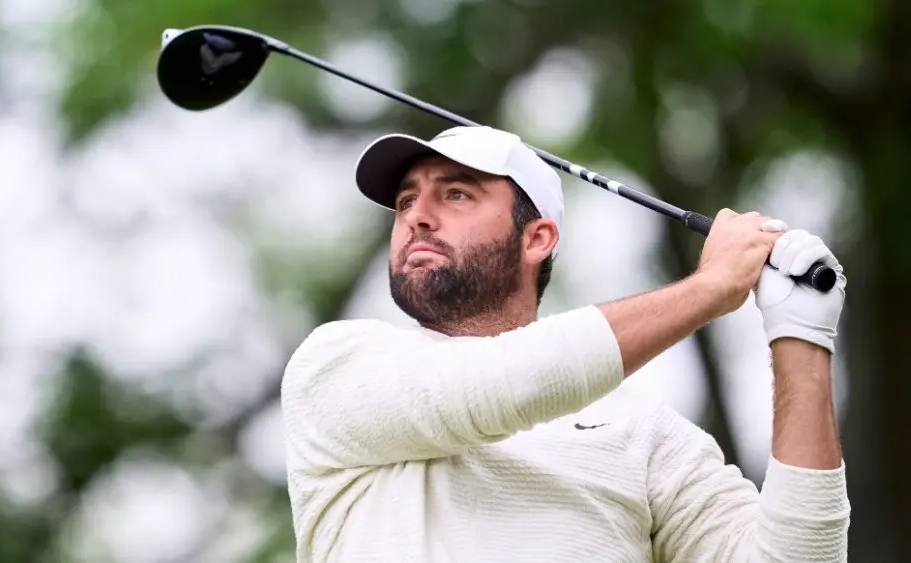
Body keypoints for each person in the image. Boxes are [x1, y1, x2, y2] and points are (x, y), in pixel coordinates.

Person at [280, 125, 850, 562]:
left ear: (537, 239)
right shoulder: (337, 366)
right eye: (406, 201)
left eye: (455, 195)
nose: (417, 218)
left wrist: (802, 335)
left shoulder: (645, 434)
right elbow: (496, 384)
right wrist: (709, 288)